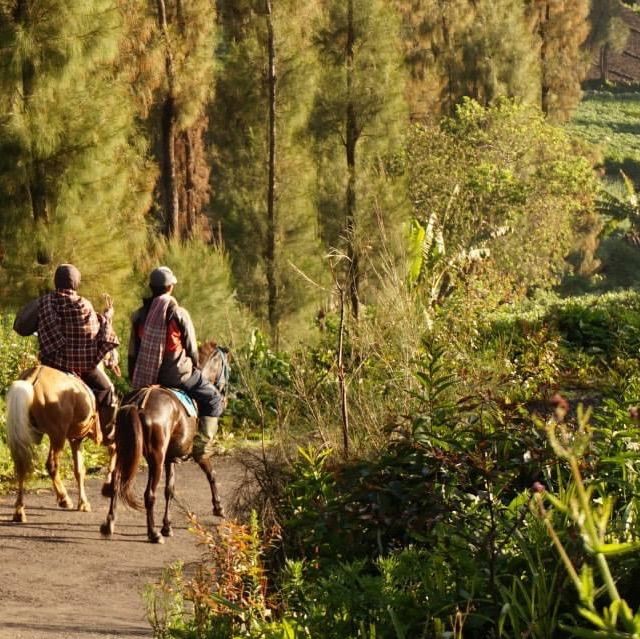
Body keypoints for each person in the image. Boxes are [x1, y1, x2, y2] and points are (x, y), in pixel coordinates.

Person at [13, 263, 120, 442]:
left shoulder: (44, 302)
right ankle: (108, 434)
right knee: (107, 389)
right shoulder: (84, 305)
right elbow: (97, 332)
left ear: (56, 282)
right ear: (76, 283)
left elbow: (21, 327)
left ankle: (32, 428)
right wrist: (107, 318)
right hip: (82, 366)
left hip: (50, 365)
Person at [128, 266, 223, 462]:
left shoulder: (138, 315)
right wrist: (195, 366)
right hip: (178, 376)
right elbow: (191, 347)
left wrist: (135, 378)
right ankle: (201, 447)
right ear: (170, 287)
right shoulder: (178, 313)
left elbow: (132, 351)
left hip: (146, 378)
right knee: (214, 399)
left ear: (151, 287)